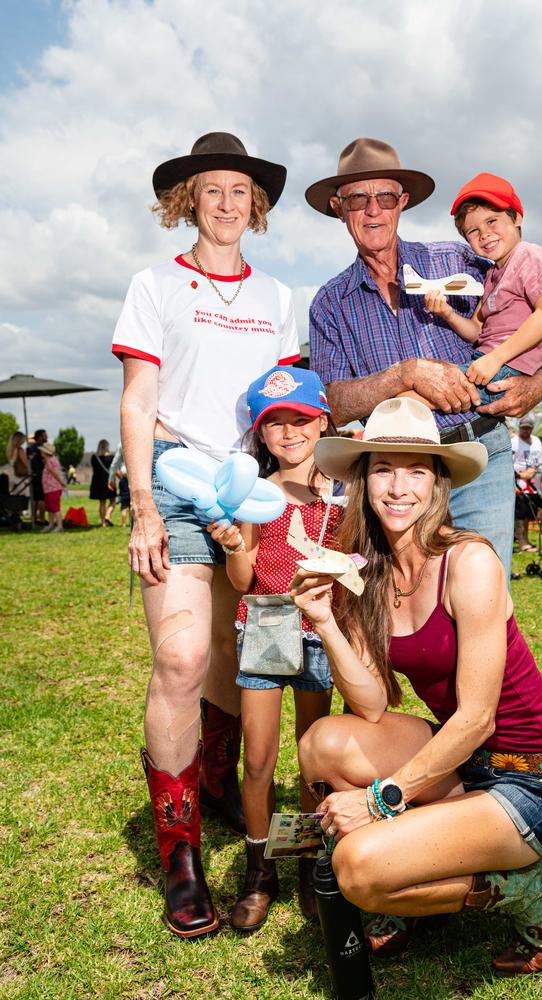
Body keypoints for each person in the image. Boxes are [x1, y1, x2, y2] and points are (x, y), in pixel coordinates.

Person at [291, 397, 542, 978]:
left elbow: (477, 719)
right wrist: (326, 622)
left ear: (439, 482)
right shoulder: (370, 573)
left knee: (357, 871)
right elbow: (371, 702)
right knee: (319, 742)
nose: (399, 487)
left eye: (417, 469)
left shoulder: (469, 562)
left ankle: (532, 887)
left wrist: (381, 800)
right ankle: (415, 869)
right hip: (464, 762)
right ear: (365, 479)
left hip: (532, 780)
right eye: (384, 469)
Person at [112, 131, 298, 938]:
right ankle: (180, 853)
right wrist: (145, 506)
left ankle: (219, 781)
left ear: (256, 205)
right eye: (212, 190)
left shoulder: (279, 299)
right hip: (180, 482)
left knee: (238, 658)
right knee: (184, 658)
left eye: (240, 192)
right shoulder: (154, 285)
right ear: (188, 200)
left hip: (254, 490)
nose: (227, 204)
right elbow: (138, 400)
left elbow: (288, 410)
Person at [306, 139, 542, 580]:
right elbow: (332, 404)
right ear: (338, 207)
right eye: (358, 199)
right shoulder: (330, 303)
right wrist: (405, 375)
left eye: (384, 197)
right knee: (405, 610)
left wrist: (541, 380)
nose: (373, 211)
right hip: (396, 479)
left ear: (402, 203)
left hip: (480, 454)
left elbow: (534, 312)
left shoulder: (457, 258)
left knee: (485, 597)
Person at [209, 366, 339, 930]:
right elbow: (241, 580)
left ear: (323, 422)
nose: (289, 433)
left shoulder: (342, 491)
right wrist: (237, 543)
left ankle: (311, 862)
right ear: (259, 435)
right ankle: (260, 869)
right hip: (263, 624)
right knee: (258, 759)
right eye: (274, 424)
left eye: (301, 420)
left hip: (318, 633)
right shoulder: (254, 495)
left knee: (313, 759)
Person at [425, 173, 542, 390]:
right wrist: (446, 313)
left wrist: (495, 358)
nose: (485, 234)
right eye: (473, 231)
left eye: (492, 221)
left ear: (516, 218)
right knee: (423, 388)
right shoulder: (492, 275)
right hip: (488, 361)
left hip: (507, 364)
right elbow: (477, 330)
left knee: (426, 391)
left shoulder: (530, 255)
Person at [512, 415, 542, 552]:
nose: (525, 430)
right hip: (520, 485)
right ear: (519, 427)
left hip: (534, 486)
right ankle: (522, 542)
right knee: (520, 515)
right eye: (523, 428)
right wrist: (519, 477)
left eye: (528, 428)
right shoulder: (514, 442)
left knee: (528, 516)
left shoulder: (537, 440)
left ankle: (525, 540)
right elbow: (508, 464)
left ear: (532, 428)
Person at [39, 442, 67, 532]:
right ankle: (51, 524)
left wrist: (61, 482)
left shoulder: (51, 461)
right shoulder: (48, 461)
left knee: (55, 508)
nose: (41, 452)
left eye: (42, 451)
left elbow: (55, 474)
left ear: (45, 452)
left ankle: (59, 526)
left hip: (53, 488)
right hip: (48, 489)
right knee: (50, 508)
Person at [89, 440, 116, 526]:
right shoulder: (111, 457)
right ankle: (108, 515)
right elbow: (114, 470)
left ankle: (103, 523)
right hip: (109, 481)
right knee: (113, 501)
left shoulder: (94, 457)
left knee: (102, 502)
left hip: (97, 482)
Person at [27, 428, 48, 524]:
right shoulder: (43, 448)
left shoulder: (29, 448)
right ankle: (42, 519)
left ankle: (34, 518)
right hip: (42, 476)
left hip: (32, 476)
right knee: (41, 499)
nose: (46, 437)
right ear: (40, 437)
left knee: (34, 499)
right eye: (45, 435)